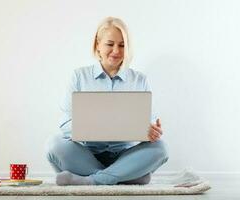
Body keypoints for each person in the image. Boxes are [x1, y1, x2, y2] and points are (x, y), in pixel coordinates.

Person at [46, 17, 169, 185]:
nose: (116, 51)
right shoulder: (79, 76)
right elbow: (65, 122)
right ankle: (127, 176)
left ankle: (90, 181)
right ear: (98, 45)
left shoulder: (140, 80)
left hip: (126, 155)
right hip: (87, 154)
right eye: (110, 44)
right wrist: (91, 128)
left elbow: (149, 120)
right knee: (55, 145)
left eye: (122, 45)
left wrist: (152, 131)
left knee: (161, 149)